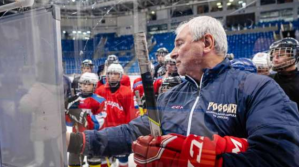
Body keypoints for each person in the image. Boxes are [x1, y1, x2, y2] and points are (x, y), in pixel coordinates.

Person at [67, 16, 299, 167]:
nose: (172, 54)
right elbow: (132, 132)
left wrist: (200, 160)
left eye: (179, 44)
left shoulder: (256, 88)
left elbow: (282, 156)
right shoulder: (171, 95)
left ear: (207, 43)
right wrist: (76, 141)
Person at [94, 63, 135, 167]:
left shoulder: (127, 92)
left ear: (120, 75)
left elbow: (130, 114)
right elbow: (97, 112)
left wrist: (128, 133)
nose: (112, 76)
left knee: (123, 161)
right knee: (104, 161)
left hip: (120, 133)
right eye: (110, 73)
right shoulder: (100, 90)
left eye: (115, 73)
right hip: (104, 132)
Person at [66, 72, 108, 167]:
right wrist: (69, 113)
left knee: (94, 163)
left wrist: (78, 114)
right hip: (76, 137)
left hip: (93, 138)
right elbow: (68, 123)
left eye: (88, 84)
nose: (85, 86)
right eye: (83, 83)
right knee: (73, 164)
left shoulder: (100, 100)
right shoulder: (73, 100)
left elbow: (98, 123)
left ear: (94, 85)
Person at [269, 37, 299, 108]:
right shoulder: (269, 80)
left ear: (293, 56)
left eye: (280, 55)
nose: (275, 60)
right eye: (273, 56)